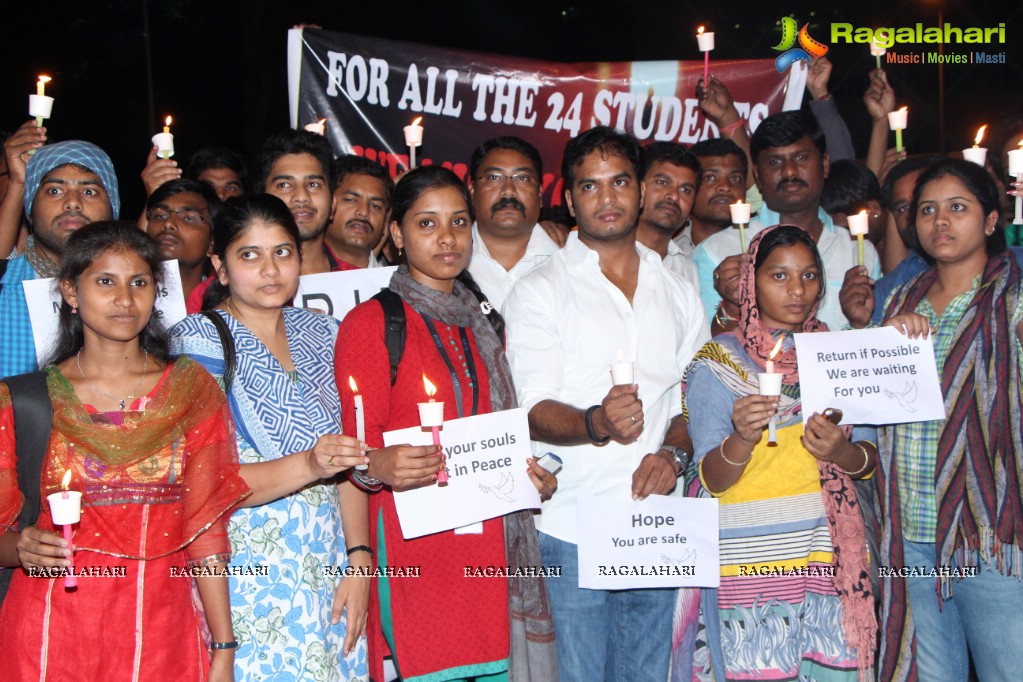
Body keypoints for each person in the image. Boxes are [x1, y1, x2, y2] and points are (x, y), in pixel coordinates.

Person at [334, 166, 559, 682]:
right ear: (396, 233)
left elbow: (497, 431)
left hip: (491, 548)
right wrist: (377, 463)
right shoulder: (372, 323)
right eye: (427, 224)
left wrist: (527, 477)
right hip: (418, 550)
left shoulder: (485, 321)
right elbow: (352, 453)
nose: (447, 238)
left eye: (459, 222)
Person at [0, 221, 249, 680]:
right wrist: (20, 547)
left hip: (162, 632)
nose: (125, 298)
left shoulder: (190, 392)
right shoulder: (25, 400)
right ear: (70, 292)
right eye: (105, 281)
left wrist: (224, 645)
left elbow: (207, 532)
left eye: (139, 282)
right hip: (52, 634)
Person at [504, 126, 708, 681]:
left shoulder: (678, 289)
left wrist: (672, 455)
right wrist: (595, 422)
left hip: (656, 525)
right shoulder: (539, 288)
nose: (607, 198)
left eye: (619, 181)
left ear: (640, 189)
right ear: (569, 201)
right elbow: (530, 407)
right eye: (589, 187)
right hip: (571, 523)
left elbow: (695, 399)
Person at [170, 195, 371, 681]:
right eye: (249, 255)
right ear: (219, 265)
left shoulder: (325, 333)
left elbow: (348, 459)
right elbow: (206, 484)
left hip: (329, 565)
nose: (269, 269)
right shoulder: (198, 342)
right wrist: (309, 464)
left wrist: (360, 561)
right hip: (250, 577)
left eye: (282, 252)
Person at [679, 224, 876, 681]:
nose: (797, 290)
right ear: (751, 281)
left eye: (809, 277)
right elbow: (711, 478)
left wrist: (842, 453)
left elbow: (868, 460)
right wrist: (741, 439)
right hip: (751, 567)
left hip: (828, 560)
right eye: (779, 276)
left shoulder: (839, 355)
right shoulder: (718, 363)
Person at [876, 159, 1023, 682]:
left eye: (957, 208)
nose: (941, 221)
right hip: (912, 533)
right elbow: (870, 410)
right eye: (928, 210)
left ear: (989, 221)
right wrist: (884, 343)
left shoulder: (1015, 304)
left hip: (989, 535)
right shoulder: (897, 301)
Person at [695, 110, 881, 332]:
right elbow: (708, 345)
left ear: (825, 164)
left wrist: (860, 324)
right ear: (757, 174)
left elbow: (877, 348)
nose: (790, 171)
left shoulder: (860, 252)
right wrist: (731, 308)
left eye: (801, 158)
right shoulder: (717, 252)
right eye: (775, 162)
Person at [0, 139, 120, 379]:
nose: (73, 202)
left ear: (113, 209)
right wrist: (17, 183)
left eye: (89, 191)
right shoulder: (5, 289)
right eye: (54, 191)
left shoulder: (137, 293)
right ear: (30, 211)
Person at [468, 136, 560, 310]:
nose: (508, 191)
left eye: (522, 178)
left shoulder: (568, 261)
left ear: (540, 194)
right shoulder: (446, 261)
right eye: (494, 177)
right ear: (472, 192)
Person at [256, 129, 337, 276]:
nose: (301, 196)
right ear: (261, 200)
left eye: (313, 184)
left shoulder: (366, 287)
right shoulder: (228, 292)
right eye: (284, 185)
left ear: (333, 204)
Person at [143, 178, 221, 310]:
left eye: (188, 218)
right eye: (159, 216)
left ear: (211, 244)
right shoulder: (128, 303)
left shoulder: (226, 311)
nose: (168, 224)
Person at [635, 141, 701, 289]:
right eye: (662, 182)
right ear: (638, 187)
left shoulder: (687, 269)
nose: (674, 196)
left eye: (685, 190)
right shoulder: (603, 255)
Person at [325, 154, 392, 270]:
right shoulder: (294, 278)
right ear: (328, 204)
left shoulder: (396, 286)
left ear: (385, 222)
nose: (364, 212)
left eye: (376, 206)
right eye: (351, 200)